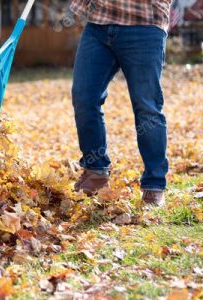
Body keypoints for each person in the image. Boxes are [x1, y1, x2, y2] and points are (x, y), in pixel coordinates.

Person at [69, 0, 172, 206]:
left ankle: (154, 184)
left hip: (144, 25)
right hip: (99, 24)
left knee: (147, 107)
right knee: (84, 97)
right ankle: (96, 171)